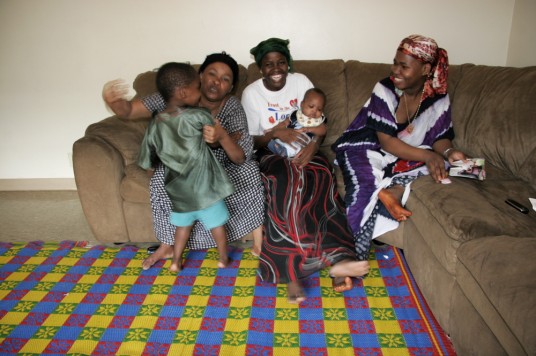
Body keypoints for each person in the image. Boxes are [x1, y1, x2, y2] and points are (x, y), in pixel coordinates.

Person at [102, 52, 265, 267]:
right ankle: (168, 245)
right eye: (212, 74)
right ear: (199, 76)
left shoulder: (232, 107)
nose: (217, 81)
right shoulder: (172, 96)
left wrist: (223, 137)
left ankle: (256, 241)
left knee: (251, 171)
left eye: (225, 79)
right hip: (181, 166)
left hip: (221, 165)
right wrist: (113, 100)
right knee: (160, 177)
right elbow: (130, 110)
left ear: (231, 87)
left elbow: (239, 157)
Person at [242, 37, 370, 304]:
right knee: (285, 181)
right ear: (260, 67)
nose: (276, 69)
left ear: (288, 64)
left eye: (281, 63)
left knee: (320, 176)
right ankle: (290, 274)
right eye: (268, 64)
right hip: (271, 151)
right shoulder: (252, 93)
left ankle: (339, 259)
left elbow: (318, 119)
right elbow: (251, 140)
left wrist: (314, 146)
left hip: (307, 148)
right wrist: (279, 132)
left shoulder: (300, 81)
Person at [332, 35, 468, 260]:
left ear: (425, 69)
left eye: (404, 66)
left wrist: (448, 152)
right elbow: (386, 141)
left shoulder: (437, 95)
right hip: (364, 145)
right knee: (364, 185)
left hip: (403, 152)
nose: (395, 70)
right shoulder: (385, 88)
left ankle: (391, 191)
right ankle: (347, 258)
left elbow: (440, 136)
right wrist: (427, 155)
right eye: (395, 62)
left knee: (443, 166)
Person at [138, 62, 234, 272]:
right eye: (197, 87)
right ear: (183, 93)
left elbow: (147, 160)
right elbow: (215, 135)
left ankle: (175, 262)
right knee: (217, 226)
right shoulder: (199, 116)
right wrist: (216, 126)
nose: (200, 92)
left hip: (179, 191)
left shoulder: (154, 124)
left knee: (182, 228)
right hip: (205, 189)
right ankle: (223, 258)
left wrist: (152, 170)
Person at [266, 87, 327, 158]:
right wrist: (273, 130)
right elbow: (284, 123)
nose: (314, 111)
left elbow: (323, 131)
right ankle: (278, 147)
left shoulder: (319, 120)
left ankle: (285, 152)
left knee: (296, 147)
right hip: (290, 135)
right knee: (280, 140)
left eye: (319, 109)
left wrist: (309, 129)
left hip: (303, 141)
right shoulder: (296, 114)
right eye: (311, 106)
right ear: (302, 104)